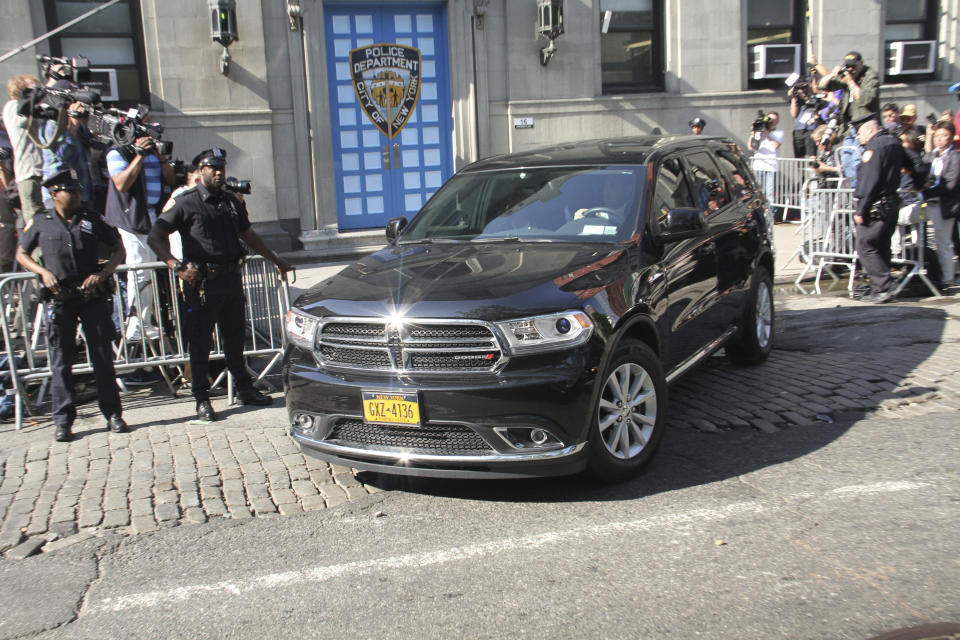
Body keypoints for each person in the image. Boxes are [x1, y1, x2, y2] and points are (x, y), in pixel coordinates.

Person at [147, 148, 294, 422]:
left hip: (230, 279)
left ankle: (244, 389)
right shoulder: (186, 203)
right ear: (200, 170)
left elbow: (248, 234)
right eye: (212, 168)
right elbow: (155, 236)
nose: (218, 172)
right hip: (202, 283)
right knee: (201, 343)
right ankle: (201, 398)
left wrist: (275, 258)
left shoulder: (229, 201)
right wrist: (176, 266)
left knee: (235, 339)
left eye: (221, 168)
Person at [15, 170, 127, 441]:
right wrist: (42, 272)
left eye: (78, 191)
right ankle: (63, 420)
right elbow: (21, 253)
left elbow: (118, 249)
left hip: (92, 296)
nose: (77, 195)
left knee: (102, 358)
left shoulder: (90, 218)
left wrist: (103, 273)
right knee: (61, 361)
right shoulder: (42, 221)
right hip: (60, 297)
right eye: (71, 191)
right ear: (55, 194)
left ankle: (113, 413)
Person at [104, 131, 175, 342]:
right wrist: (140, 155)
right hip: (132, 218)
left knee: (150, 271)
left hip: (152, 216)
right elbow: (121, 184)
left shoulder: (153, 153)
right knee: (139, 269)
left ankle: (145, 321)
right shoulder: (117, 153)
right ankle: (136, 323)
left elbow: (170, 179)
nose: (148, 137)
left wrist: (160, 156)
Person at [850, 114, 908, 303]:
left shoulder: (874, 147)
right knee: (881, 244)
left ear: (870, 129)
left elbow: (870, 182)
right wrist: (920, 180)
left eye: (859, 133)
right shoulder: (894, 142)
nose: (858, 137)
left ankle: (884, 286)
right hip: (891, 202)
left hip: (876, 205)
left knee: (865, 245)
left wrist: (861, 209)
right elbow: (913, 162)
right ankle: (881, 288)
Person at [811, 51, 880, 184]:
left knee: (857, 162)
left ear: (861, 63)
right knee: (847, 163)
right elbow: (822, 86)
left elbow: (866, 99)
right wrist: (832, 74)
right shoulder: (846, 76)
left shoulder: (870, 76)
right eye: (848, 66)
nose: (851, 70)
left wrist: (850, 82)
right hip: (849, 128)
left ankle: (860, 192)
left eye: (854, 66)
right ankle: (854, 192)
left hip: (865, 128)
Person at [920, 121, 960, 288]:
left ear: (951, 137)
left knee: (943, 243)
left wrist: (926, 190)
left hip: (945, 206)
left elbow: (950, 184)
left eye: (944, 136)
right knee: (905, 217)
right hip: (926, 204)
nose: (940, 139)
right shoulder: (931, 155)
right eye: (937, 136)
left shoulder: (955, 157)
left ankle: (948, 278)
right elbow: (922, 174)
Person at [2, 75, 45, 225]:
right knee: (35, 219)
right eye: (32, 87)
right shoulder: (12, 106)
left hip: (44, 171)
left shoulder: (35, 108)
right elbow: (22, 121)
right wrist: (33, 101)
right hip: (29, 171)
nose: (37, 90)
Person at [748, 111, 783, 217]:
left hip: (771, 167)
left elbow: (775, 146)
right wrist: (753, 132)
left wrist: (767, 133)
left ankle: (771, 215)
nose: (772, 122)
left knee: (769, 192)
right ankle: (759, 213)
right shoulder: (759, 133)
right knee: (758, 192)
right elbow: (751, 147)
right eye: (770, 119)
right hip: (758, 165)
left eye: (774, 120)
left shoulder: (778, 133)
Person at [789, 82, 819, 158]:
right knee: (799, 157)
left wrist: (809, 93)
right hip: (798, 129)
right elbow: (793, 114)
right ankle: (801, 170)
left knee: (812, 155)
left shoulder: (813, 98)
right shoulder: (796, 100)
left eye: (803, 88)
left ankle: (813, 169)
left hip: (811, 129)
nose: (801, 91)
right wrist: (793, 97)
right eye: (799, 89)